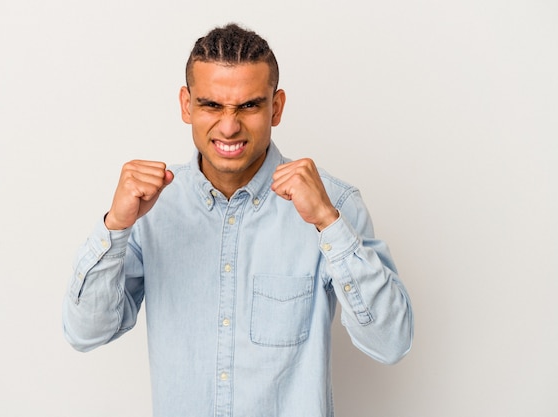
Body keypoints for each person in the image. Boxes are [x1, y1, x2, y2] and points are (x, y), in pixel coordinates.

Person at [63, 23, 413, 417]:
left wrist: (329, 223)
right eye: (212, 104)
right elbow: (85, 332)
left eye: (249, 105)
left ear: (276, 107)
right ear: (186, 105)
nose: (229, 126)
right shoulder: (150, 209)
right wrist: (116, 226)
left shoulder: (333, 204)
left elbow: (391, 342)